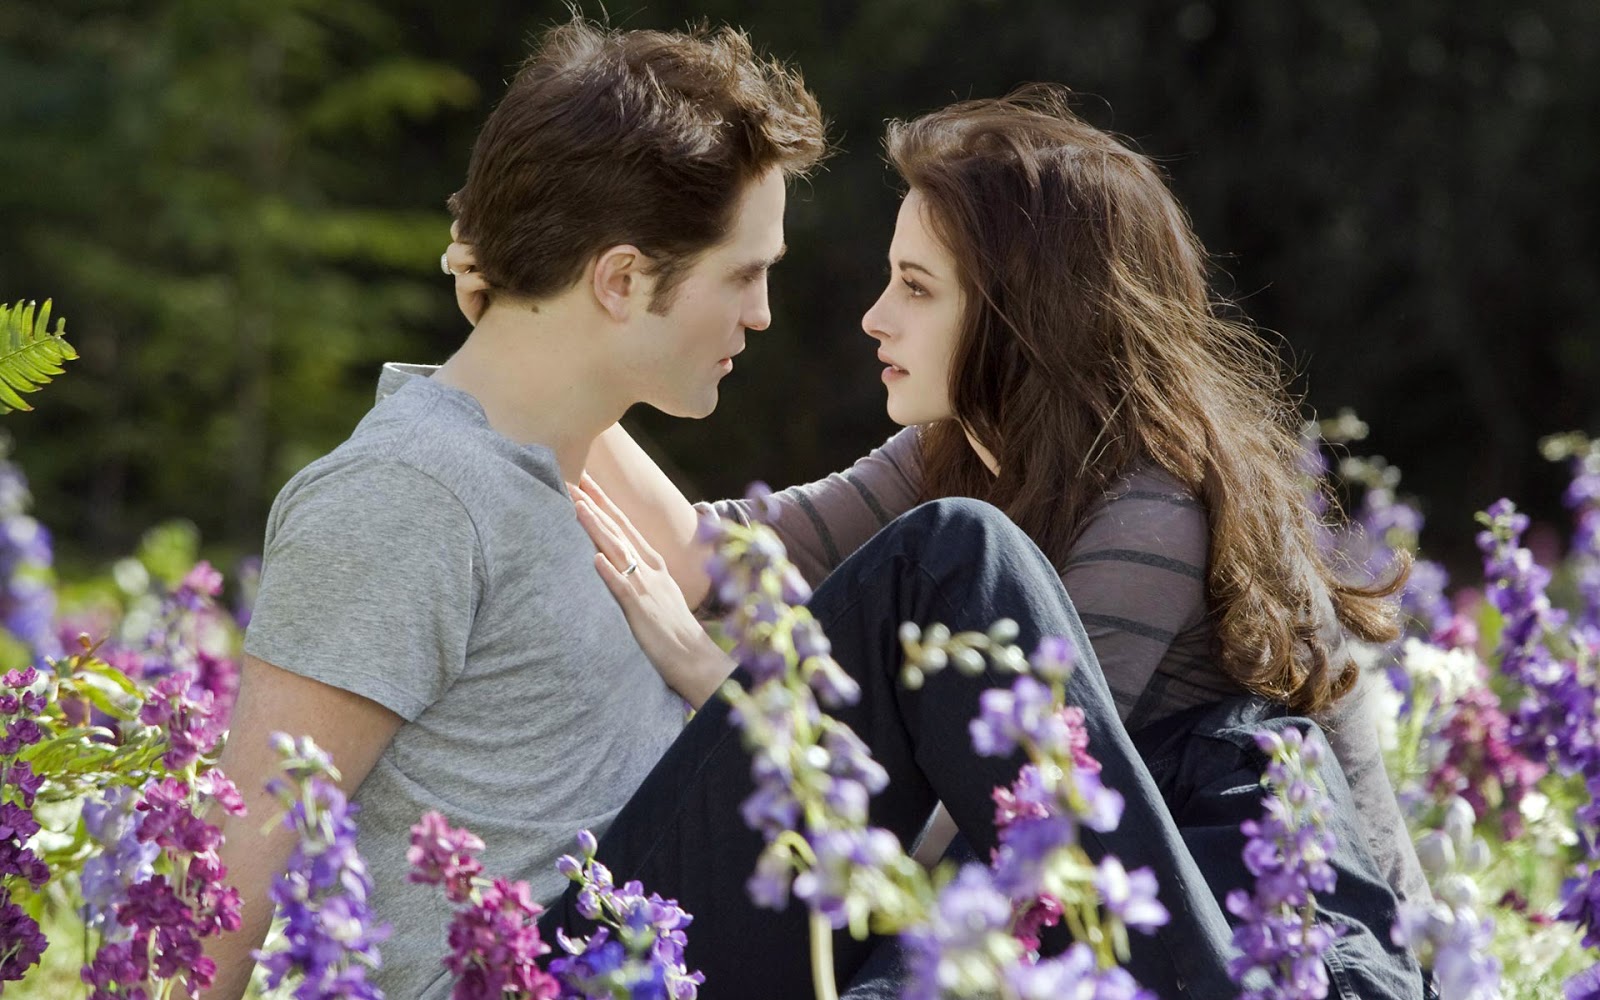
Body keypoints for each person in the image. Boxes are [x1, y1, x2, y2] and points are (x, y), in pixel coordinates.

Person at [450, 87, 1429, 997]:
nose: (876, 317)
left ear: (1024, 315)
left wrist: (728, 690)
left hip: (1291, 960)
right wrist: (545, 335)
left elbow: (965, 840)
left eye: (916, 288)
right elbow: (714, 559)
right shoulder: (956, 449)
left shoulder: (1154, 509)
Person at [205, 17, 827, 1000]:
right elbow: (228, 884)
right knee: (950, 555)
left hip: (668, 957)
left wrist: (521, 326)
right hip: (546, 972)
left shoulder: (550, 468)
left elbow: (709, 568)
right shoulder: (408, 495)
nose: (760, 313)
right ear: (621, 279)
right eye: (745, 274)